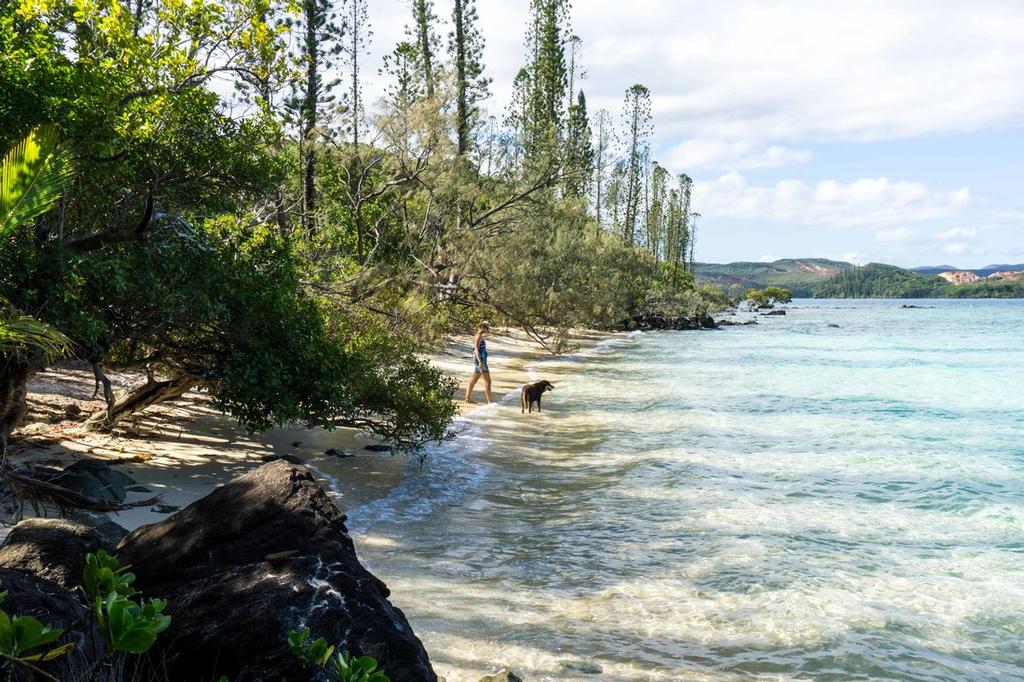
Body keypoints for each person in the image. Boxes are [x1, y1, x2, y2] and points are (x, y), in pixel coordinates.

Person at [464, 322, 492, 404]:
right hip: (480, 360)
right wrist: (480, 361)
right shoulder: (478, 336)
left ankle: (467, 398)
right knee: (488, 381)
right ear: (482, 327)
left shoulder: (478, 335)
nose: (487, 330)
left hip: (480, 359)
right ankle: (490, 402)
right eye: (486, 328)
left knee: (474, 379)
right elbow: (476, 349)